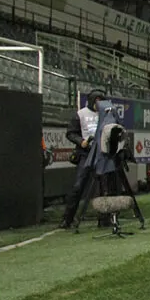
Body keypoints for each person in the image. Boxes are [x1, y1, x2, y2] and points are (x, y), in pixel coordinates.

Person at [58, 89, 106, 228]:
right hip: (86, 153)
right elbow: (70, 133)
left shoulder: (107, 113)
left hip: (102, 154)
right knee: (78, 186)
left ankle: (104, 218)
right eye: (96, 101)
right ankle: (67, 219)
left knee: (103, 187)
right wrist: (80, 141)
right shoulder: (81, 114)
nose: (98, 104)